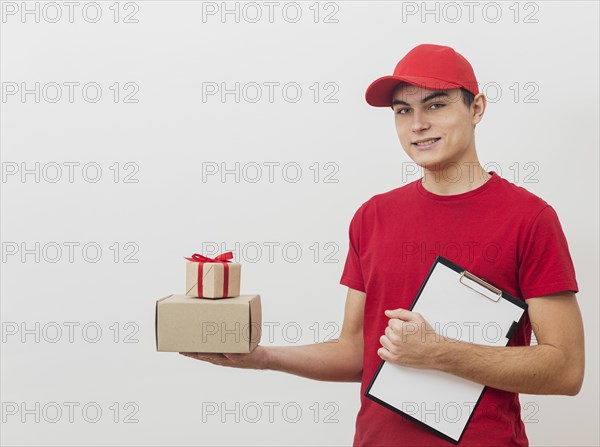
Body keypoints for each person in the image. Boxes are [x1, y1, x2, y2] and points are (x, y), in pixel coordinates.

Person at [180, 43, 585, 446]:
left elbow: (566, 369)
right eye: (403, 110)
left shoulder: (529, 219)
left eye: (436, 105)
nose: (417, 124)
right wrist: (263, 357)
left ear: (476, 109)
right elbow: (358, 349)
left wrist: (439, 352)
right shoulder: (373, 217)